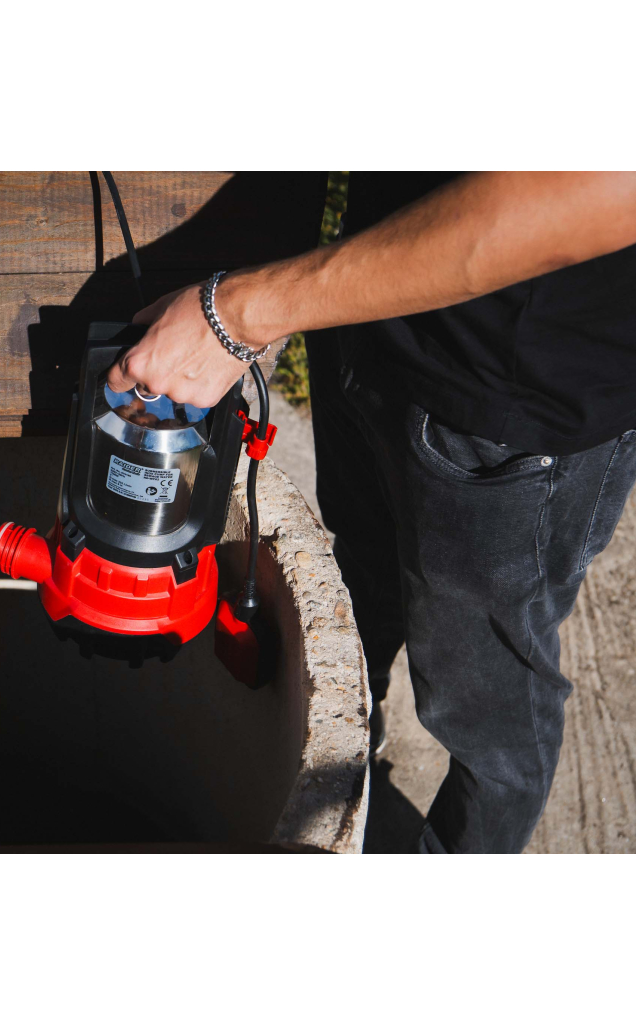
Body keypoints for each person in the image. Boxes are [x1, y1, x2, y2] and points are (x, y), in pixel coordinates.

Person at [107, 172, 636, 853]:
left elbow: (589, 192)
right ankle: (364, 718)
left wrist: (238, 314)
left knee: (487, 714)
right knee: (366, 562)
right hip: (368, 320)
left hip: (513, 408)